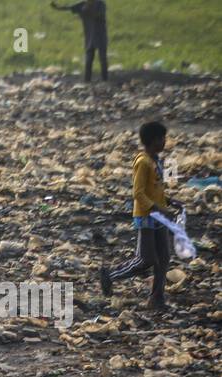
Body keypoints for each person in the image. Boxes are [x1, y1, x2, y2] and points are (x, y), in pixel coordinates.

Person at [100, 121, 182, 311]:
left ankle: (157, 299)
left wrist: (170, 201)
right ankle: (110, 275)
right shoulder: (143, 162)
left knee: (164, 258)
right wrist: (159, 208)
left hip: (158, 216)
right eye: (162, 138)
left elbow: (155, 189)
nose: (165, 142)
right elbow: (138, 193)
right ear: (154, 140)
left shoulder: (156, 161)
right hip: (146, 217)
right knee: (146, 259)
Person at [53, 1, 108, 83]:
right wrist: (57, 7)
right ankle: (87, 80)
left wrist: (88, 9)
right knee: (89, 59)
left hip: (100, 36)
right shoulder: (82, 5)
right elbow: (69, 7)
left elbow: (99, 15)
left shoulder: (100, 4)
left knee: (102, 58)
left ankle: (105, 79)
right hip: (90, 37)